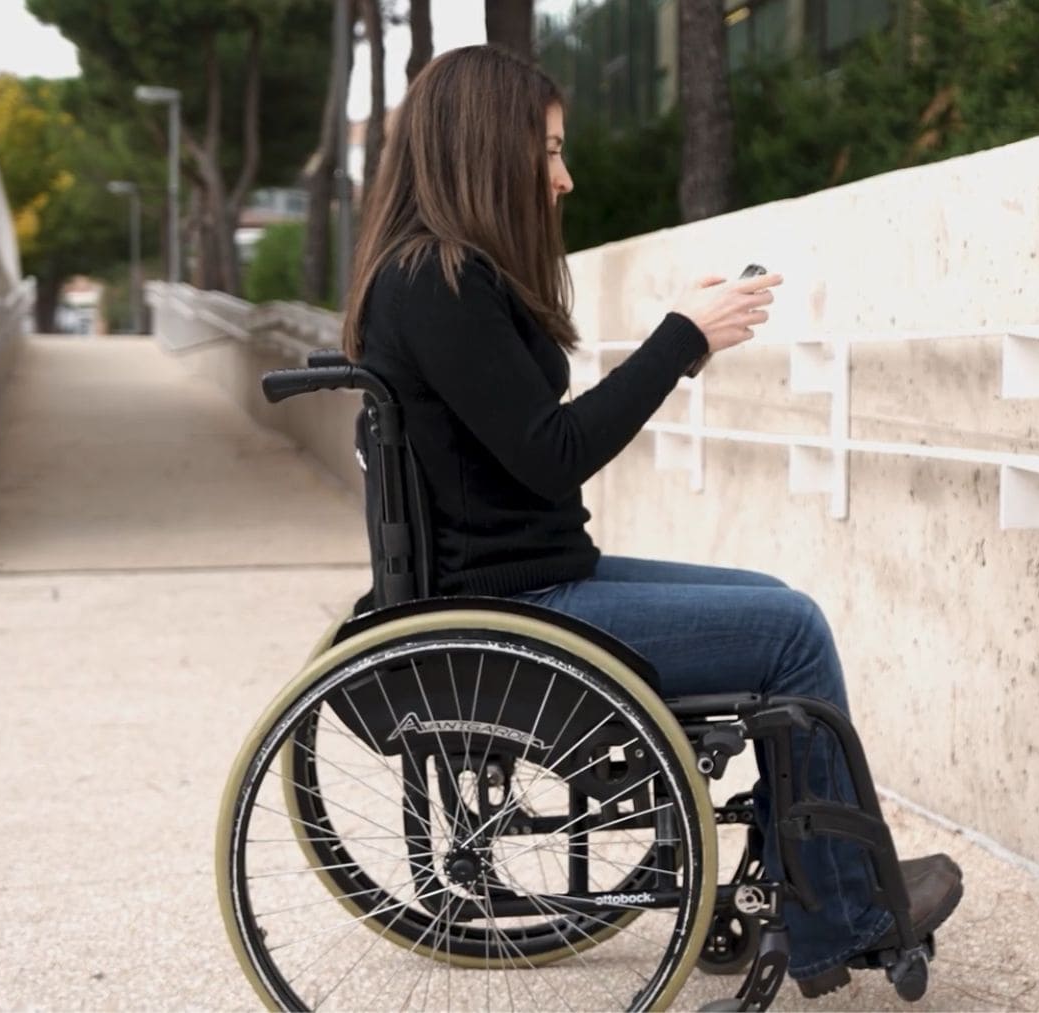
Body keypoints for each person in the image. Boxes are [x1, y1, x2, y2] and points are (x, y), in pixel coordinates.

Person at [342, 44, 962, 997]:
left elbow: (530, 446)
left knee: (776, 601)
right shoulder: (439, 283)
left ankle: (824, 893)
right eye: (547, 152)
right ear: (485, 151)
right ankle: (841, 916)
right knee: (791, 632)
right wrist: (682, 337)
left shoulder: (435, 278)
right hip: (522, 609)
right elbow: (553, 450)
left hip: (534, 583)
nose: (564, 177)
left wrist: (683, 343)